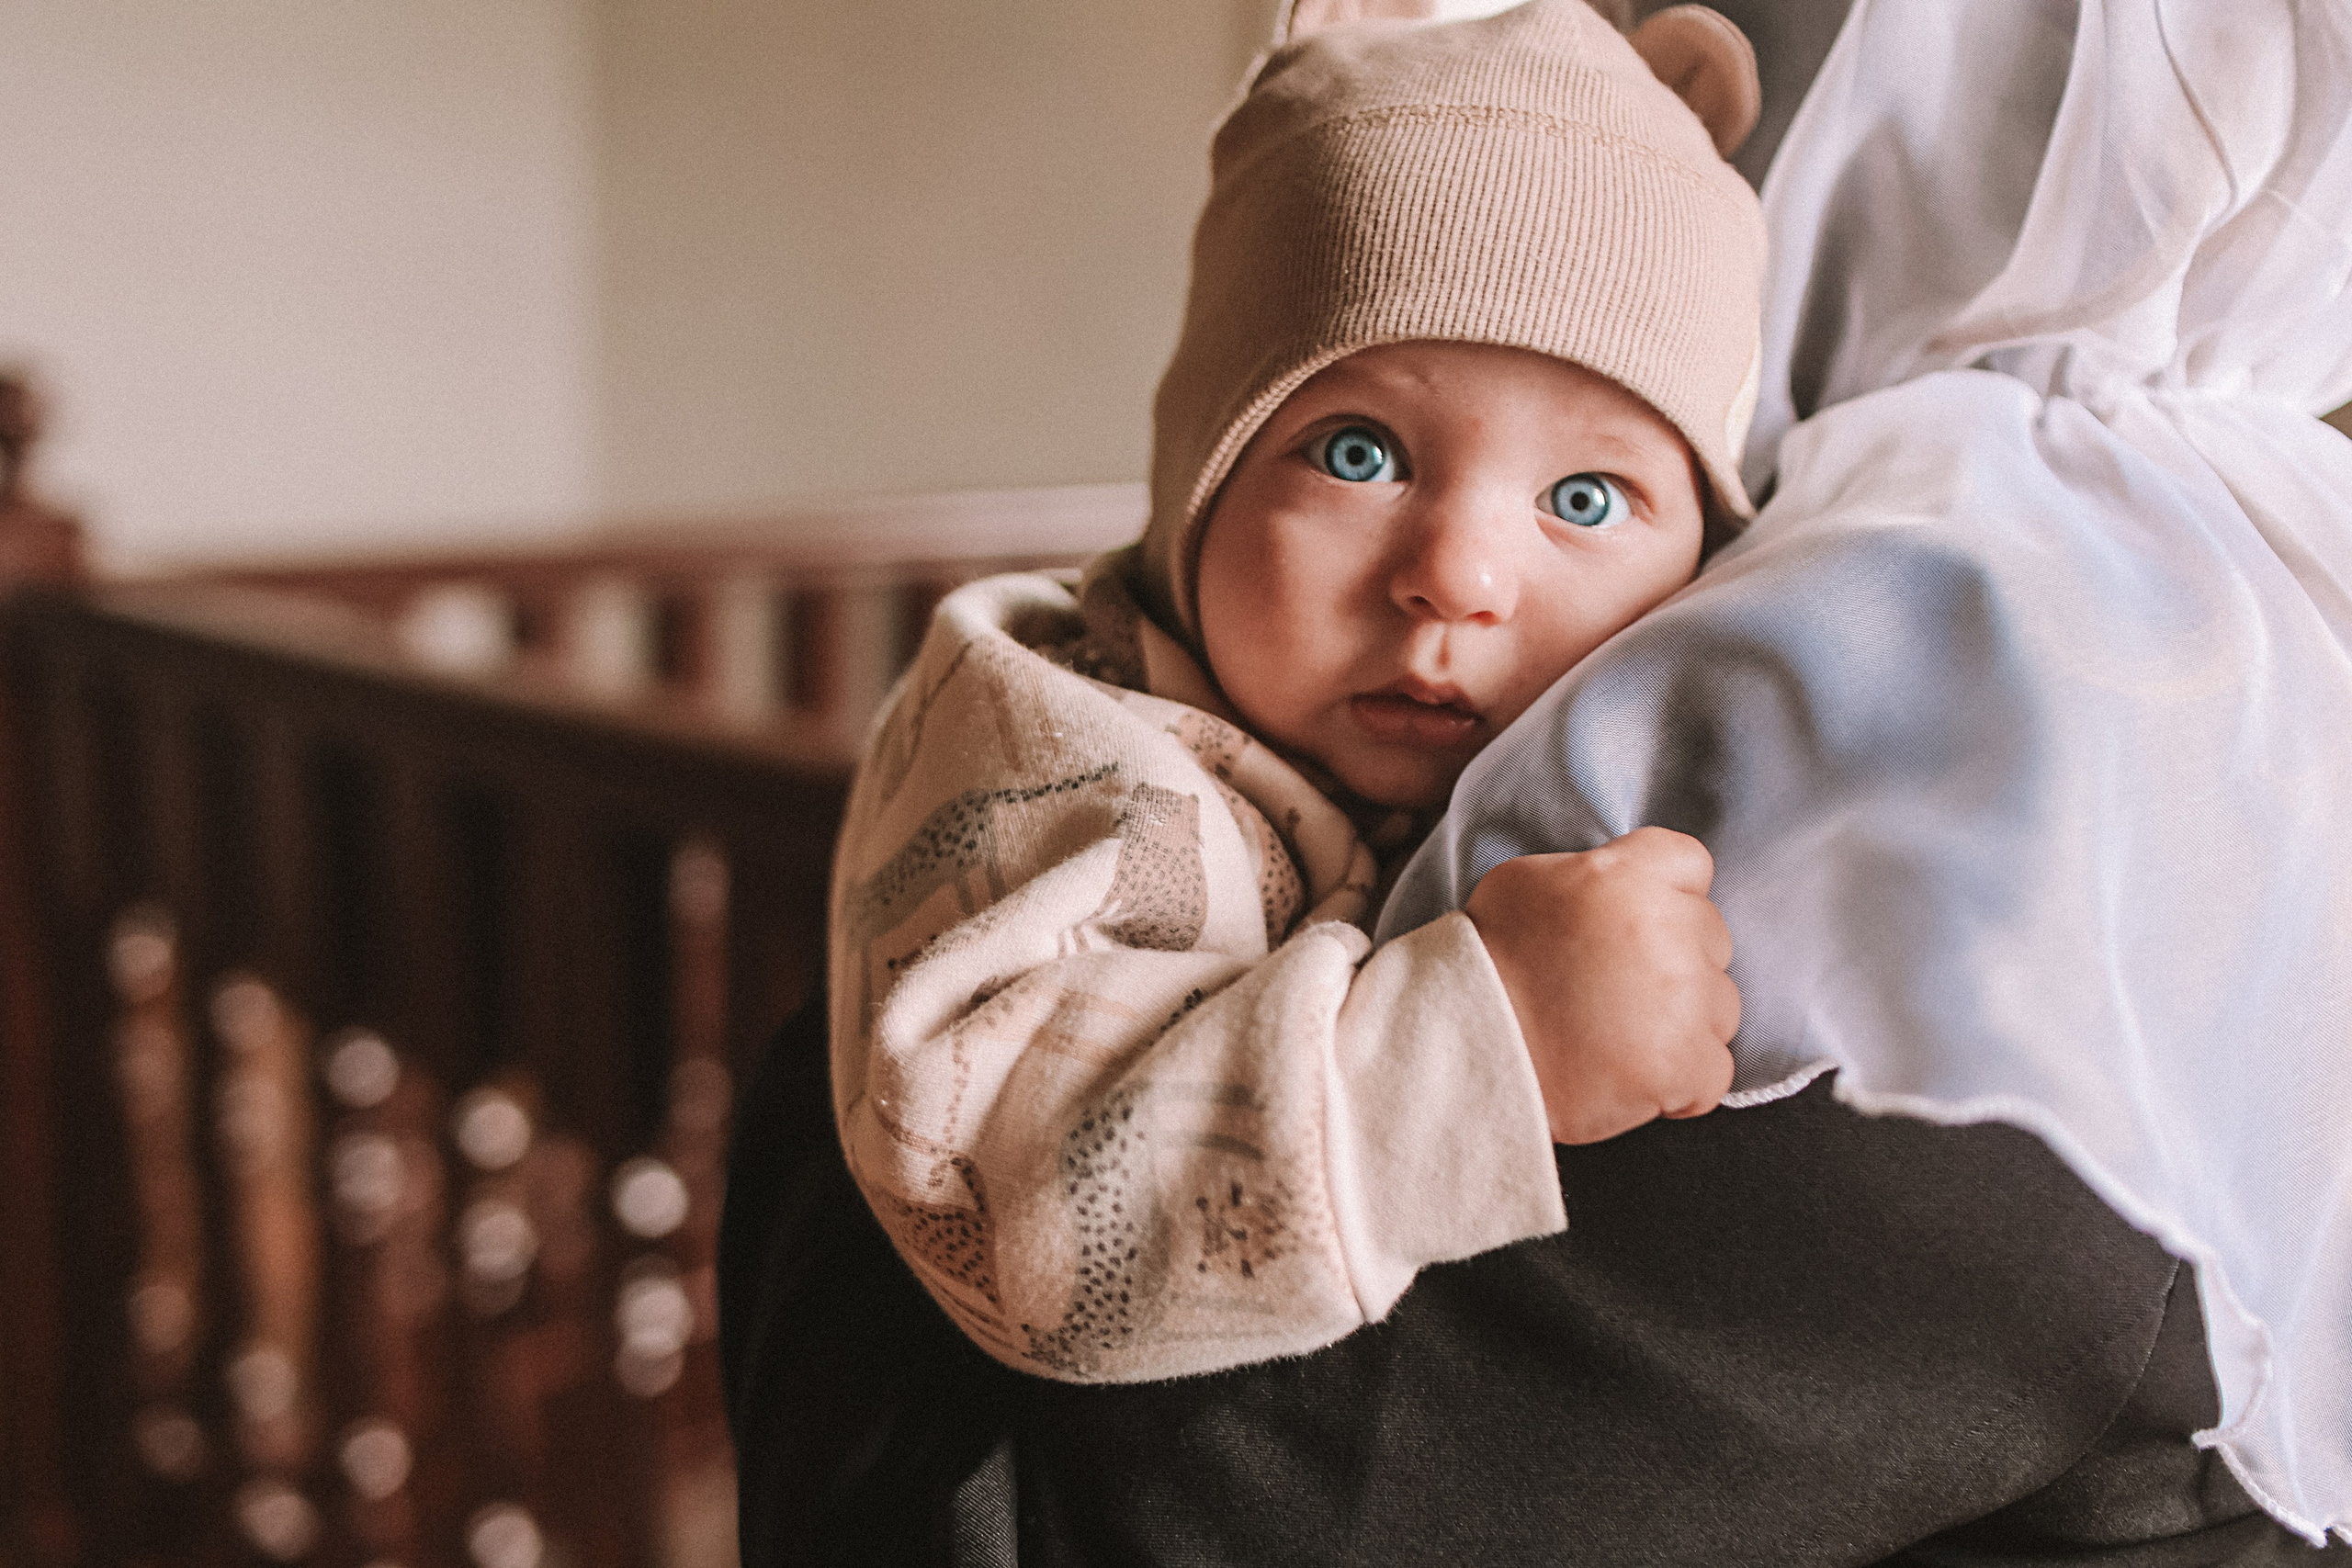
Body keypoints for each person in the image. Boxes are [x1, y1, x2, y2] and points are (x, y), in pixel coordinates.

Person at [825, 0, 1764, 1384]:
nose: (1457, 578)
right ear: (1194, 488)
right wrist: (1482, 1037)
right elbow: (1023, 1229)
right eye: (1359, 453)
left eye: (1583, 497)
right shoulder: (1066, 758)